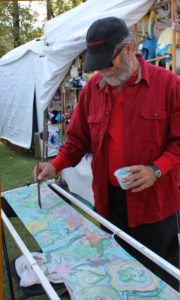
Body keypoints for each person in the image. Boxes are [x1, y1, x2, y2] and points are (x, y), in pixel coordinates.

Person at [33, 17, 180, 290]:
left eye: (108, 64)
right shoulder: (92, 90)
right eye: (97, 66)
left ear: (128, 49)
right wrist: (55, 165)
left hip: (155, 205)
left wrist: (156, 169)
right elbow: (77, 141)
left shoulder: (170, 85)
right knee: (117, 274)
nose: (104, 73)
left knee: (160, 281)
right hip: (109, 204)